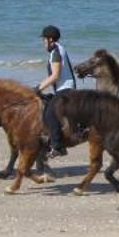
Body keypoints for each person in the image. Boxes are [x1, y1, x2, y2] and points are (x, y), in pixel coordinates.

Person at [37, 25, 78, 157]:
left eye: (44, 39)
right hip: (62, 89)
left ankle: (58, 146)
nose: (43, 42)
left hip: (66, 89)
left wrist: (38, 88)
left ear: (50, 39)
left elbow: (55, 76)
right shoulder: (57, 50)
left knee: (49, 114)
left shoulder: (56, 52)